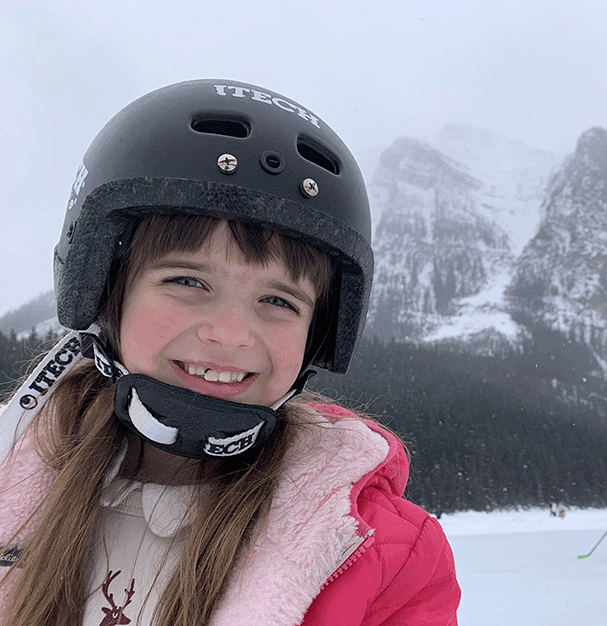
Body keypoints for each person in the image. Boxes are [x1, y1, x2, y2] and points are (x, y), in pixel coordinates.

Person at [0, 79, 460, 626]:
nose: (231, 335)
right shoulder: (10, 475)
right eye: (188, 281)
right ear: (105, 290)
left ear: (318, 333)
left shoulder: (387, 556)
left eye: (277, 300)